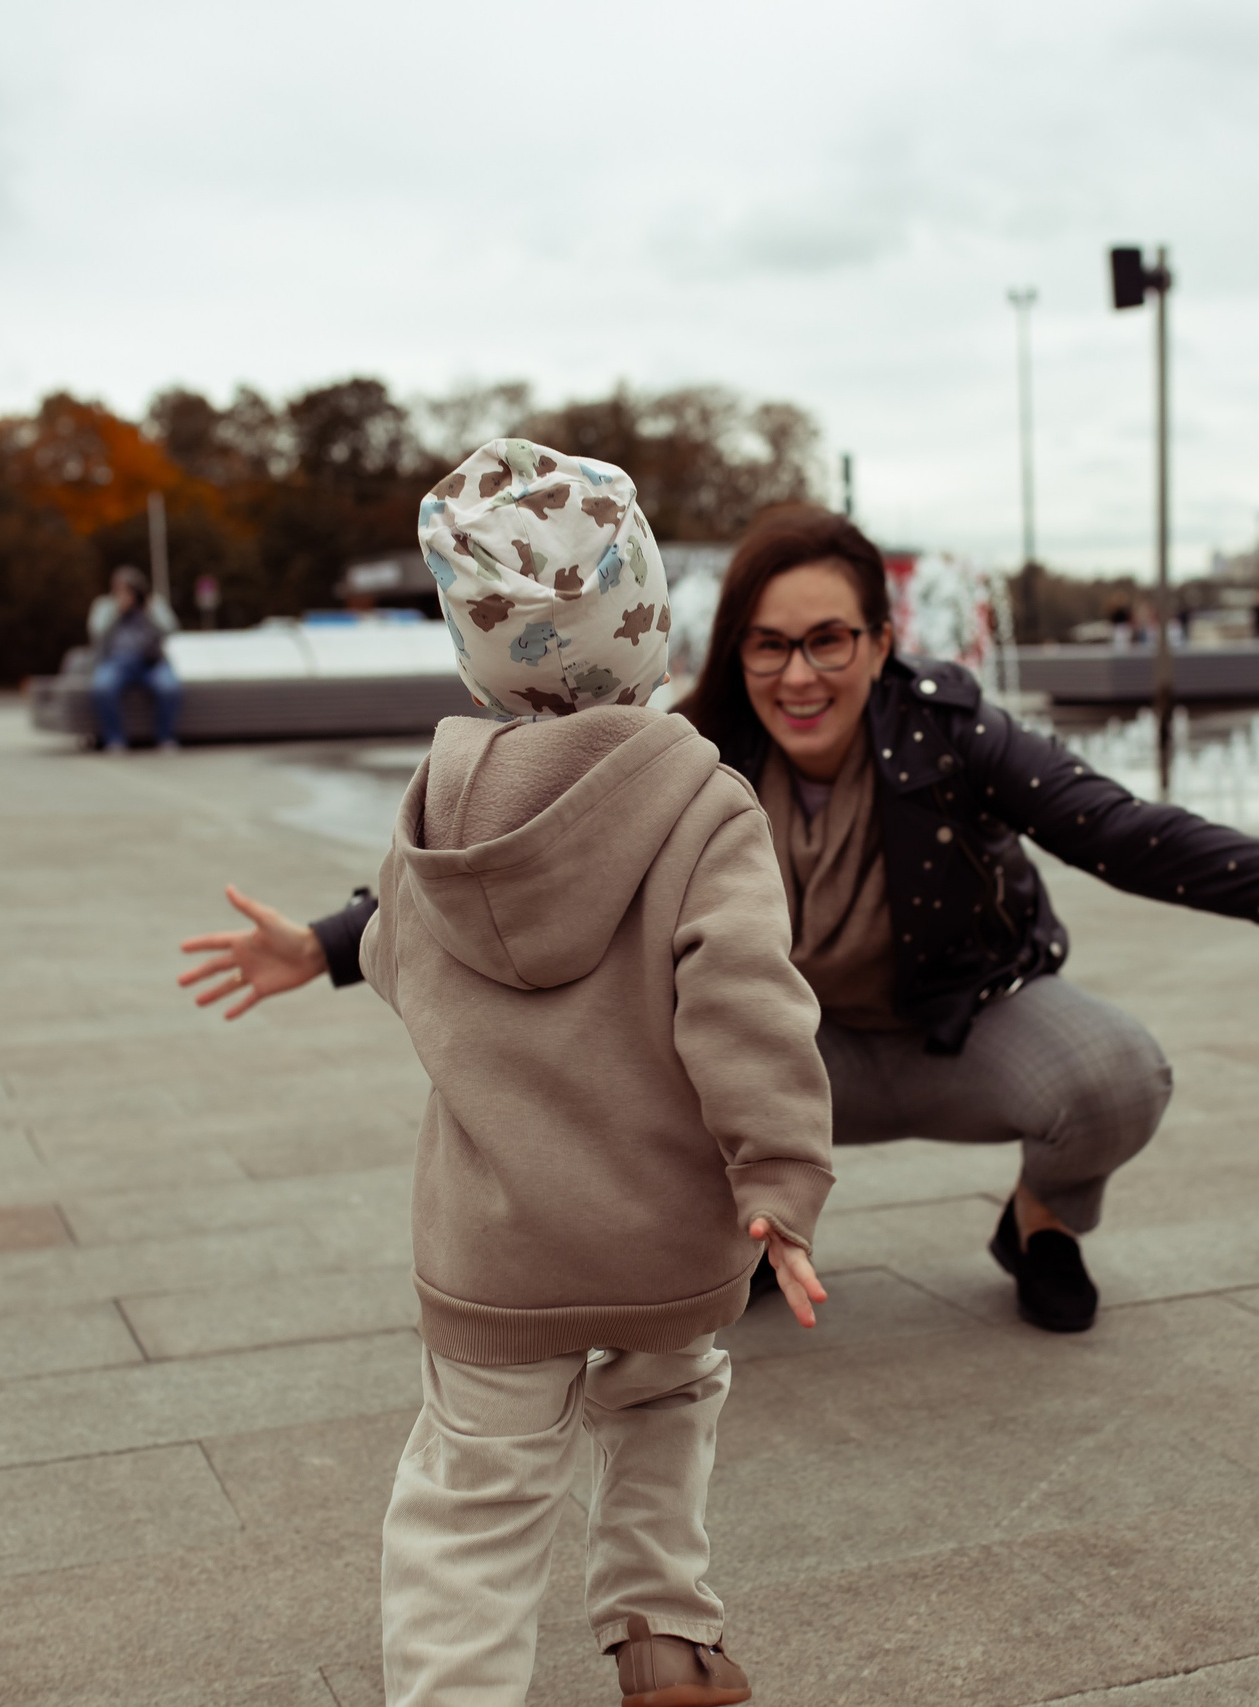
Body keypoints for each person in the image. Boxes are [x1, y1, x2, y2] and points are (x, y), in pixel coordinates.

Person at [181, 506, 1259, 1337]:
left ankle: (1042, 1224)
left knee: (1119, 1073)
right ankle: (747, 1236)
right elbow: (509, 857)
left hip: (953, 1029)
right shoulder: (679, 751)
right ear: (732, 652)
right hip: (780, 1061)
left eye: (829, 638)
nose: (800, 671)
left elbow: (1127, 832)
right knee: (637, 1052)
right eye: (770, 642)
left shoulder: (956, 736)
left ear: (881, 643)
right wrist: (329, 939)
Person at [349, 440, 829, 1706]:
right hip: (663, 1229)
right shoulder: (703, 803)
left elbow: (397, 964)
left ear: (473, 646)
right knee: (669, 1398)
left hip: (495, 1245)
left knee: (475, 1497)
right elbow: (747, 1003)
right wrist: (777, 1177)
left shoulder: (433, 812)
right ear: (649, 621)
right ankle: (664, 1636)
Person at [88, 567, 181, 751]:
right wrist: (116, 613)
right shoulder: (104, 605)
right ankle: (115, 739)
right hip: (116, 662)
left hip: (151, 662)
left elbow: (171, 630)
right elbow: (97, 635)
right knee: (102, 687)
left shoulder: (152, 604)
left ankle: (164, 737)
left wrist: (148, 611)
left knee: (170, 687)